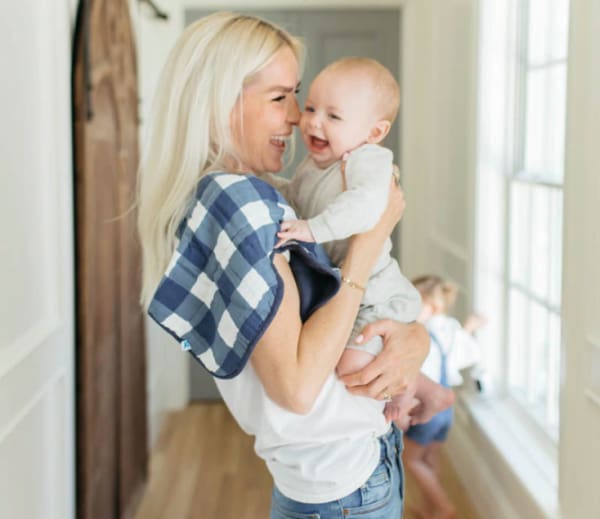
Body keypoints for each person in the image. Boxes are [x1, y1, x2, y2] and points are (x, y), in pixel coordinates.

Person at [137, 12, 430, 519]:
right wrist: (369, 241)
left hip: (327, 480)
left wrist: (415, 339)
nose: (297, 118)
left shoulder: (226, 199)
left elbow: (317, 327)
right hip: (345, 486)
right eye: (281, 97)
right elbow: (297, 388)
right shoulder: (241, 206)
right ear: (220, 101)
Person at [274, 57, 454, 430]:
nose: (312, 121)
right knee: (347, 352)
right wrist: (262, 184)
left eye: (333, 117)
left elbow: (368, 206)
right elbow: (295, 197)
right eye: (310, 107)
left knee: (353, 365)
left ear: (374, 132)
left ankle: (423, 389)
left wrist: (312, 229)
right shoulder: (315, 163)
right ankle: (420, 390)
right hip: (346, 288)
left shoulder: (367, 159)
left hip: (375, 291)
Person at [402, 274, 485, 519]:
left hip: (428, 406)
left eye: (415, 303)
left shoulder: (421, 335)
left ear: (433, 307)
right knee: (430, 455)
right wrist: (469, 328)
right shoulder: (450, 327)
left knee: (412, 459)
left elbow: (420, 379)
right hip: (446, 410)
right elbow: (462, 353)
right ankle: (429, 508)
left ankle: (443, 506)